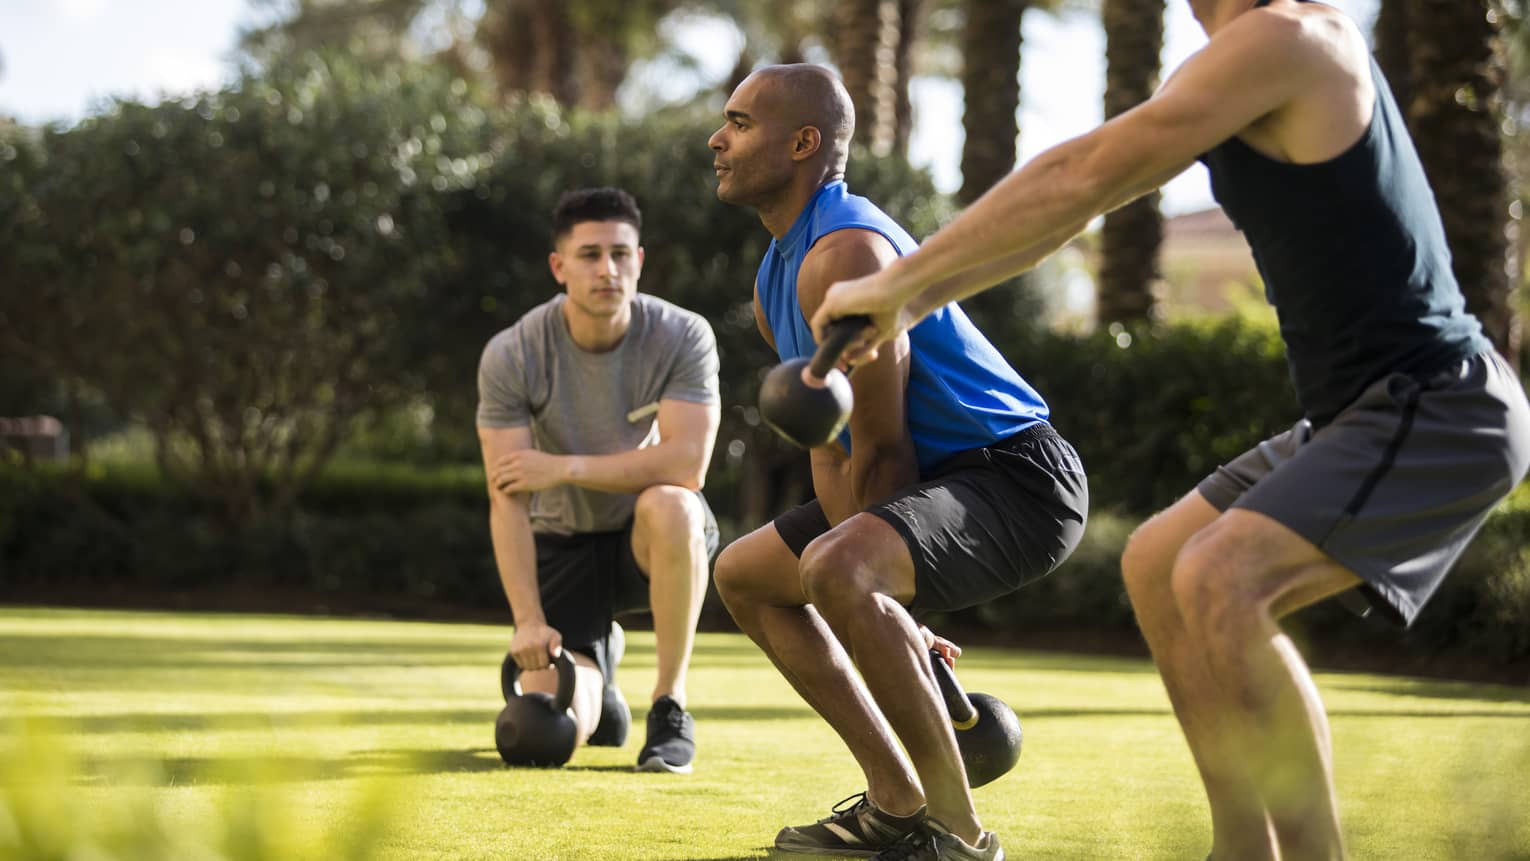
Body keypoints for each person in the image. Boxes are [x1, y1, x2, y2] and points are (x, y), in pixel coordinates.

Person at [810, 2, 1530, 858]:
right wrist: (908, 303)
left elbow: (1080, 172)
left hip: (1441, 403)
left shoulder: (1288, 38)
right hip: (1361, 413)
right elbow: (1076, 208)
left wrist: (896, 287)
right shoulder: (1242, 59)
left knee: (1221, 575)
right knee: (1158, 562)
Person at [708, 64, 1089, 861]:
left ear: (803, 142)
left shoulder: (846, 253)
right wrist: (879, 598)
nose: (718, 139)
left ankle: (961, 836)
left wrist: (883, 595)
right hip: (938, 483)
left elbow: (883, 446)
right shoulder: (775, 272)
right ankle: (895, 802)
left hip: (1016, 477)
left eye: (740, 123)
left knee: (838, 568)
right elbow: (832, 445)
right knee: (745, 574)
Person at [476, 187, 722, 774]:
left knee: (675, 504)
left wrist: (562, 468)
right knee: (545, 730)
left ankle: (669, 706)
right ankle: (601, 687)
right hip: (563, 542)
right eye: (589, 255)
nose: (607, 269)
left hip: (649, 539)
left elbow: (688, 465)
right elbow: (506, 499)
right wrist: (529, 621)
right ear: (559, 267)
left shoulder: (683, 335)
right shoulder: (513, 353)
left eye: (620, 253)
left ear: (640, 261)